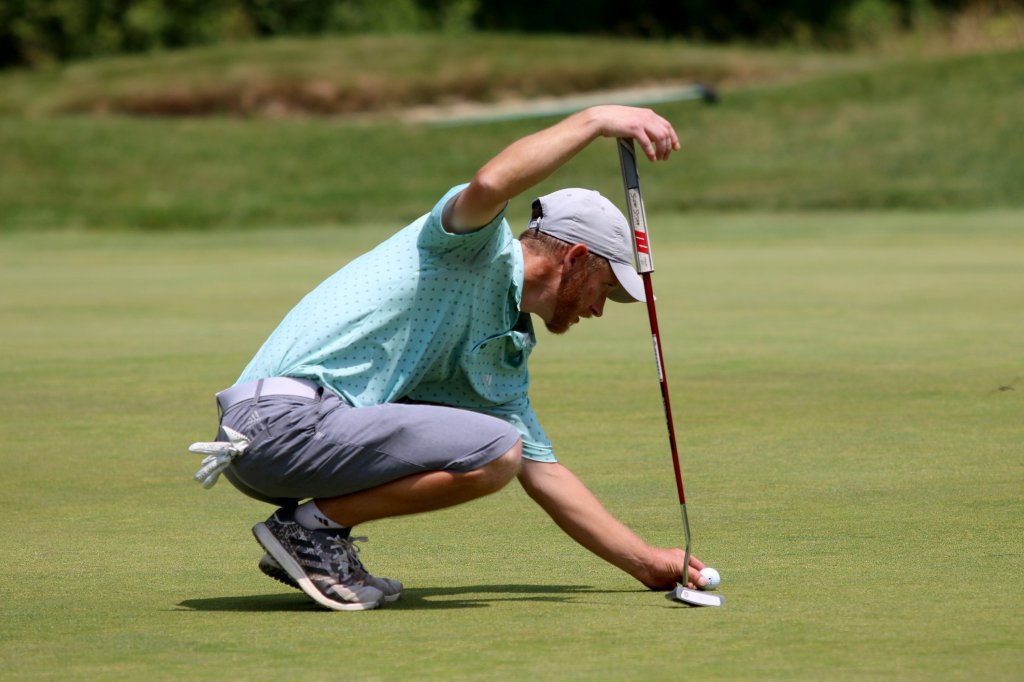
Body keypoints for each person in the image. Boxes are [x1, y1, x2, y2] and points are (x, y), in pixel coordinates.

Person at [191, 105, 711, 611]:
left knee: (503, 451)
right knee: (497, 449)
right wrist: (596, 120)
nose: (600, 308)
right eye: (605, 287)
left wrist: (645, 562)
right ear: (575, 258)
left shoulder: (502, 346)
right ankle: (307, 531)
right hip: (276, 425)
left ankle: (315, 535)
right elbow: (490, 184)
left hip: (290, 445)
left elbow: (542, 471)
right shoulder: (473, 245)